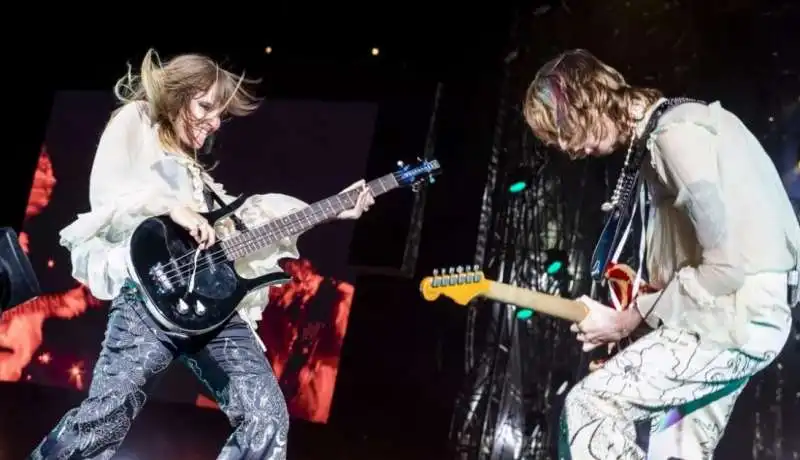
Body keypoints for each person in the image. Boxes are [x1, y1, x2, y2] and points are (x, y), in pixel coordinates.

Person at [31, 49, 375, 459]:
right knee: (105, 417)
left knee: (266, 417)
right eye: (206, 106)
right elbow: (109, 195)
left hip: (215, 310)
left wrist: (334, 206)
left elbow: (257, 219)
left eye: (219, 114)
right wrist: (172, 207)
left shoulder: (197, 174)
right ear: (176, 95)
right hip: (149, 301)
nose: (214, 122)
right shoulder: (138, 120)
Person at [522, 49, 800, 460]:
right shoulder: (671, 133)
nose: (566, 147)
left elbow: (726, 266)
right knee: (676, 452)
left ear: (589, 97)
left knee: (590, 407)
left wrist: (626, 319)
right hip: (744, 318)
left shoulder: (676, 135)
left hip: (731, 319)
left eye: (562, 128)